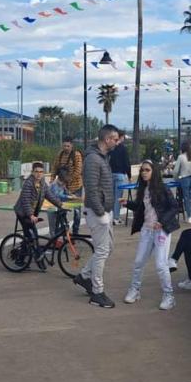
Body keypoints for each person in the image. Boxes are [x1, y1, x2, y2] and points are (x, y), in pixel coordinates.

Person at [72, 124, 119, 308]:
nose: (117, 142)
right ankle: (97, 292)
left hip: (104, 210)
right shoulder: (93, 159)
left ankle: (84, 276)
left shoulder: (102, 157)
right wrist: (101, 212)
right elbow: (91, 190)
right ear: (107, 139)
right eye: (115, 139)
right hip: (98, 212)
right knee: (102, 251)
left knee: (108, 248)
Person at [122, 160, 179, 310]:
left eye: (147, 170)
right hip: (147, 230)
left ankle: (169, 295)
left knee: (161, 265)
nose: (144, 173)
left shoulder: (162, 188)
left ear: (153, 172)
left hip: (161, 231)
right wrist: (126, 203)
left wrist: (162, 222)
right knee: (138, 262)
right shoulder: (142, 189)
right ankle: (135, 290)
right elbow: (140, 207)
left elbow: (174, 207)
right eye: (142, 170)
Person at [13, 162, 63, 271]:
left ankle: (32, 255)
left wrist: (61, 205)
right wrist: (30, 215)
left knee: (32, 236)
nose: (39, 174)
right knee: (31, 236)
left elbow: (50, 196)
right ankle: (20, 260)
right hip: (23, 212)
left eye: (41, 172)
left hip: (33, 213)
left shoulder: (43, 184)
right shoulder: (28, 183)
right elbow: (25, 201)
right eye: (36, 172)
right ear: (32, 172)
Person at [53, 137, 83, 233]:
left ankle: (75, 231)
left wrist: (69, 179)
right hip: (63, 187)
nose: (66, 148)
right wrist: (52, 180)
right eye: (64, 146)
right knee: (61, 209)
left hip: (76, 186)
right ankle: (64, 230)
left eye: (68, 146)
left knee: (76, 211)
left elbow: (78, 170)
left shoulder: (76, 155)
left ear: (72, 145)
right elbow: (55, 167)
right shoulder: (60, 155)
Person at [109, 129, 132, 226]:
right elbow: (126, 163)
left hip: (110, 174)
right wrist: (129, 175)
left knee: (112, 197)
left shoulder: (111, 148)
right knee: (118, 198)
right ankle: (116, 218)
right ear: (121, 137)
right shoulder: (123, 148)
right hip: (120, 174)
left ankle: (110, 217)